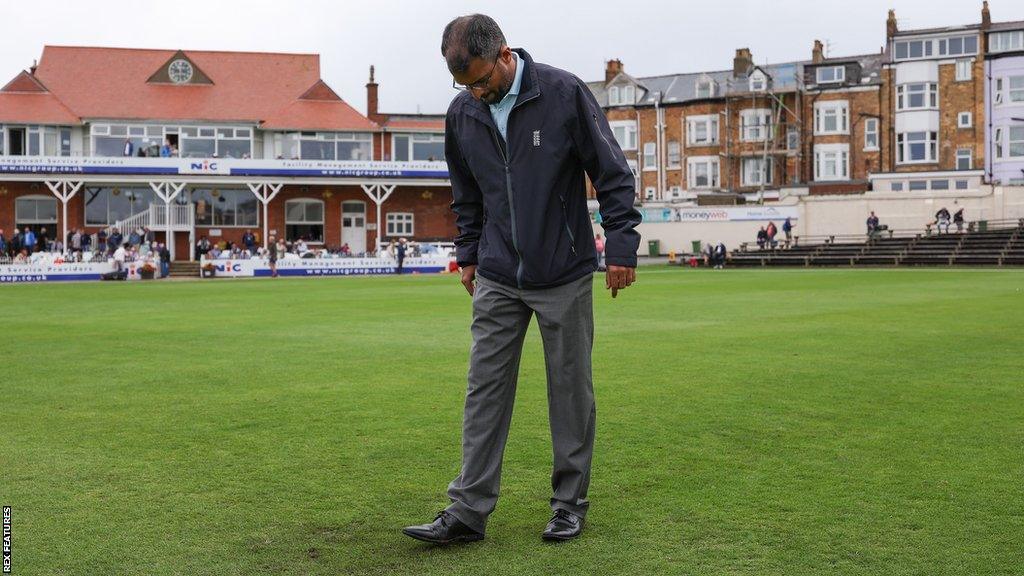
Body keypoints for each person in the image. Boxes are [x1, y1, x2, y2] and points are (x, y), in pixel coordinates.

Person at [402, 14, 641, 546]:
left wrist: (622, 245)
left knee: (569, 391)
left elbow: (612, 173)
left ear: (505, 55)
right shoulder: (463, 112)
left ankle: (567, 504)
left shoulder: (563, 92)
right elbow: (465, 193)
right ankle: (468, 509)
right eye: (465, 85)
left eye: (483, 80)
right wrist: (468, 254)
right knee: (483, 389)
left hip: (565, 271)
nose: (477, 93)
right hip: (497, 274)